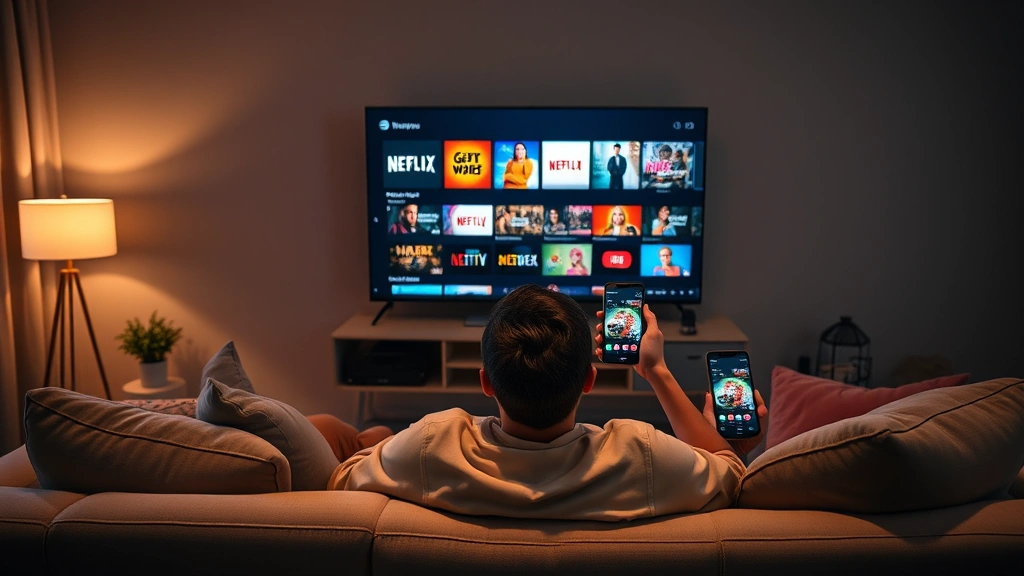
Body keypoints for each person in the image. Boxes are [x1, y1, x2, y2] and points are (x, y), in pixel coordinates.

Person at [327, 285, 766, 521]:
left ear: (486, 382)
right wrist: (657, 372)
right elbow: (731, 473)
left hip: (393, 448)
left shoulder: (431, 444)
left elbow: (343, 480)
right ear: (590, 380)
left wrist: (381, 440)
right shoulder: (641, 454)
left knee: (351, 430)